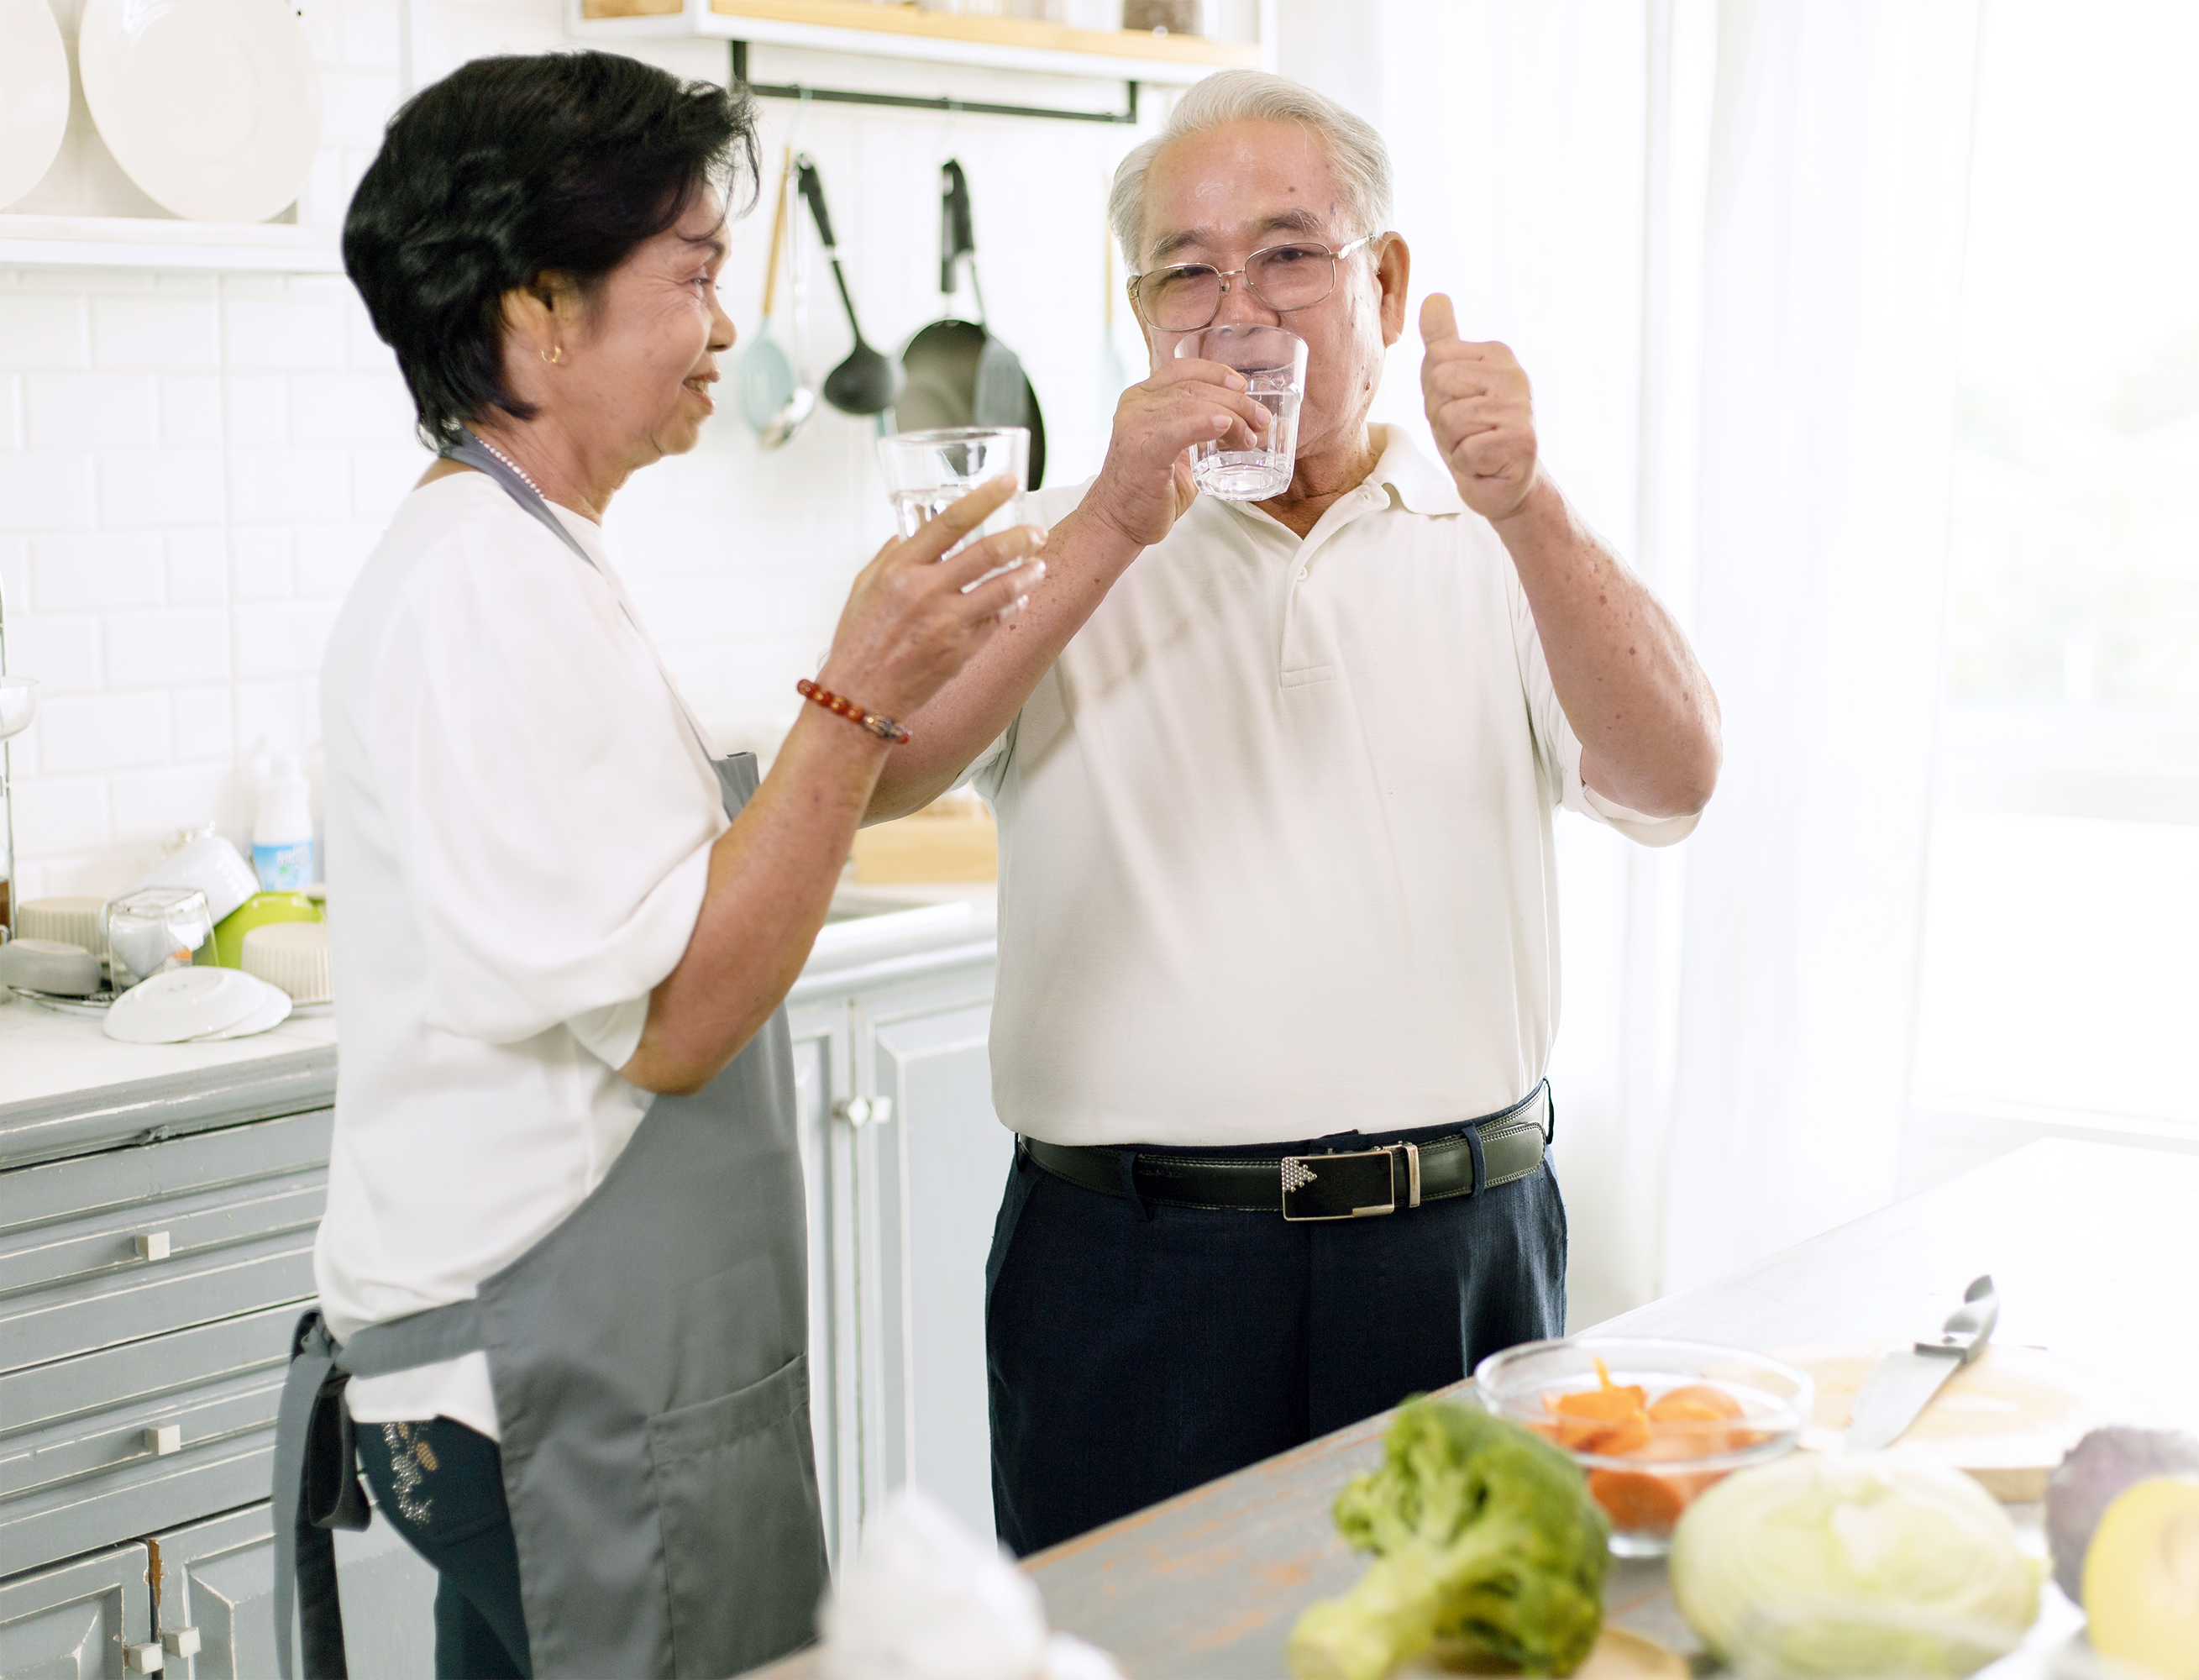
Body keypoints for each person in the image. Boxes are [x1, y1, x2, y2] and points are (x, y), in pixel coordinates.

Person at [866, 71, 1724, 1554]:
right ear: (1140, 314)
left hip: (1460, 1250)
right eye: (1184, 273)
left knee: (1463, 1649)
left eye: (1289, 254)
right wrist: (1113, 526)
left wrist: (1528, 503)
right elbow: (879, 774)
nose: (1236, 310)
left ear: (1383, 284)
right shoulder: (1064, 548)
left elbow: (1676, 777)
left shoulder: (1495, 531)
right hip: (1132, 1273)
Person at [272, 52, 1045, 1679]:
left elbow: (831, 795)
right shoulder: (479, 591)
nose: (716, 324)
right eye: (689, 275)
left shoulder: (531, 557)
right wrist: (849, 688)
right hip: (549, 1382)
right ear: (538, 310)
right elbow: (681, 1017)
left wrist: (1088, 540)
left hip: (560, 1368)